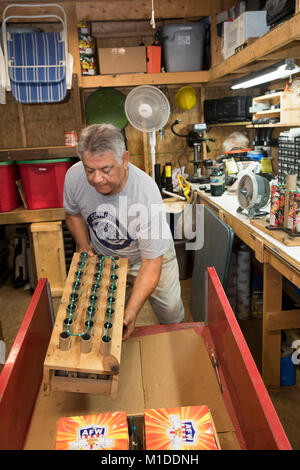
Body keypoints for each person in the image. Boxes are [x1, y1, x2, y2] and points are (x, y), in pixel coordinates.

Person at [63, 123, 184, 340]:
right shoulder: (74, 177)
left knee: (171, 315)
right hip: (106, 256)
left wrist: (132, 312)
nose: (96, 179)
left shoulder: (145, 193)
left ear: (124, 159)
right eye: (89, 170)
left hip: (150, 257)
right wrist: (84, 246)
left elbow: (151, 263)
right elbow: (72, 214)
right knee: (102, 318)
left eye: (106, 170)